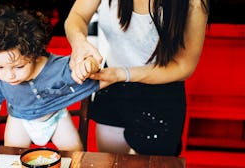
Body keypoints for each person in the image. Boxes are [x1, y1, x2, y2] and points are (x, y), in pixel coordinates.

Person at [64, 0, 209, 156]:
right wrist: (79, 42)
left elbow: (184, 66)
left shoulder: (194, 3)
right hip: (113, 84)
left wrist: (123, 74)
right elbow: (77, 16)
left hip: (161, 92)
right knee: (110, 162)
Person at [0, 4, 100, 160]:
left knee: (75, 156)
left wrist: (88, 65)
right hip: (19, 120)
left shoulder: (57, 66)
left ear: (35, 55)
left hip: (55, 118)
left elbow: (89, 65)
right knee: (11, 158)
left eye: (18, 66)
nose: (9, 75)